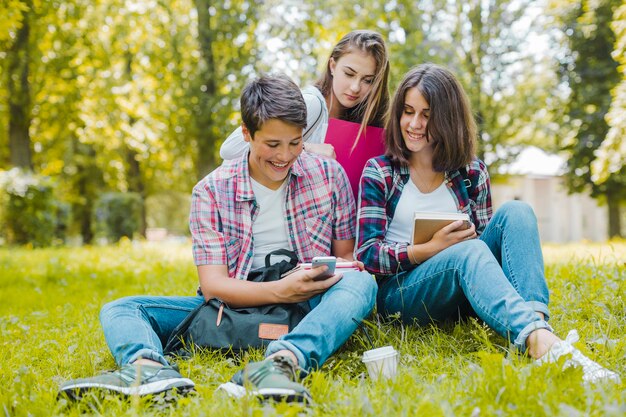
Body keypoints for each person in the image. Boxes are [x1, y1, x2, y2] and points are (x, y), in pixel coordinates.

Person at [59, 73, 377, 403]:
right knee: (121, 309)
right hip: (233, 304)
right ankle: (148, 369)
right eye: (272, 144)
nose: (285, 156)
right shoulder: (211, 190)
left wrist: (318, 277)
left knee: (362, 284)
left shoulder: (328, 174)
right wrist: (280, 290)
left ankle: (281, 364)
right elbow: (214, 286)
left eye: (295, 143)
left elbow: (345, 261)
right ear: (247, 134)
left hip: (306, 301)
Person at [355, 63, 620, 383]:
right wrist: (429, 249)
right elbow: (367, 254)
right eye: (408, 111)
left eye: (427, 114)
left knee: (517, 213)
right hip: (403, 293)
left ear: (447, 118)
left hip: (464, 290)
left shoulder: (470, 172)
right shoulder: (380, 171)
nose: (414, 123)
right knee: (467, 253)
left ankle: (536, 326)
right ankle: (542, 346)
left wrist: (463, 244)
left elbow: (484, 245)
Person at [219, 30, 390, 197]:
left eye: (368, 80)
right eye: (349, 74)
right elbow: (229, 150)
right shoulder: (312, 103)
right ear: (332, 66)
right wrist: (304, 148)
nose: (355, 87)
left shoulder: (359, 124)